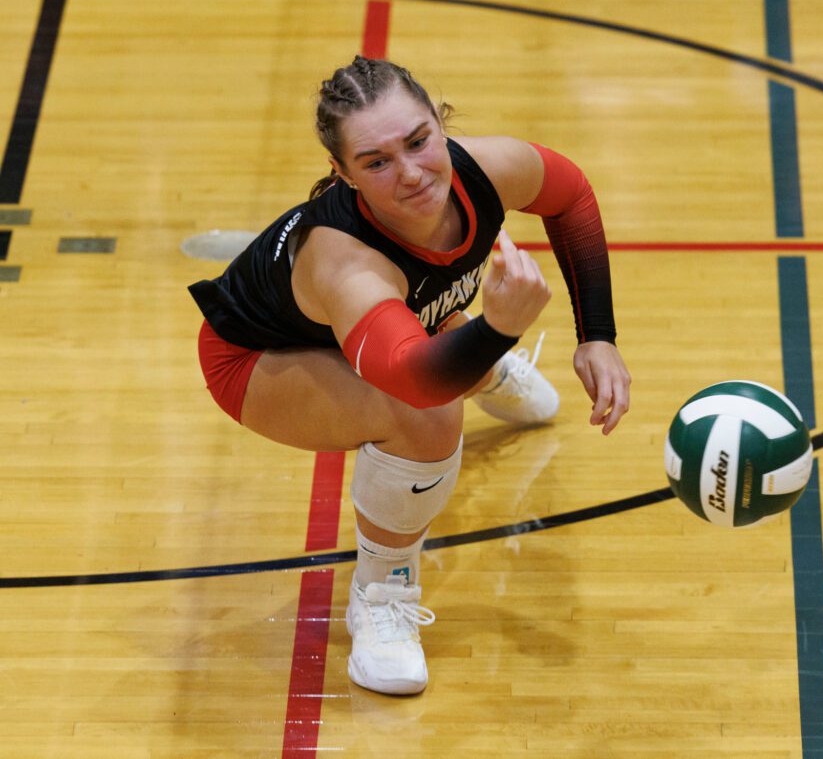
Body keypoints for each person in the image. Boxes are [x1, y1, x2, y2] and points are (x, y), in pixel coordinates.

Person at [188, 56, 631, 695]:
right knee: (424, 415)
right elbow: (416, 383)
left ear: (440, 124)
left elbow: (571, 196)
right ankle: (381, 596)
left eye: (419, 141)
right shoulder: (346, 263)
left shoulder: (485, 169)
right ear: (341, 173)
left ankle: (481, 367)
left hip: (394, 332)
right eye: (376, 162)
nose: (413, 173)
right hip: (257, 359)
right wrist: (499, 327)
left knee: (442, 352)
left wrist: (598, 335)